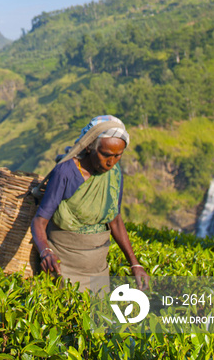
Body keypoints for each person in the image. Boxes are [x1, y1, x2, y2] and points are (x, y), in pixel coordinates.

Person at [30, 115, 148, 292]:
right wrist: (45, 252)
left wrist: (135, 264)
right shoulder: (66, 172)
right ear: (89, 147)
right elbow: (40, 220)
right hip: (63, 265)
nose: (111, 162)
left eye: (118, 156)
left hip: (97, 270)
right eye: (106, 154)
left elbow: (114, 219)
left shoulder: (114, 173)